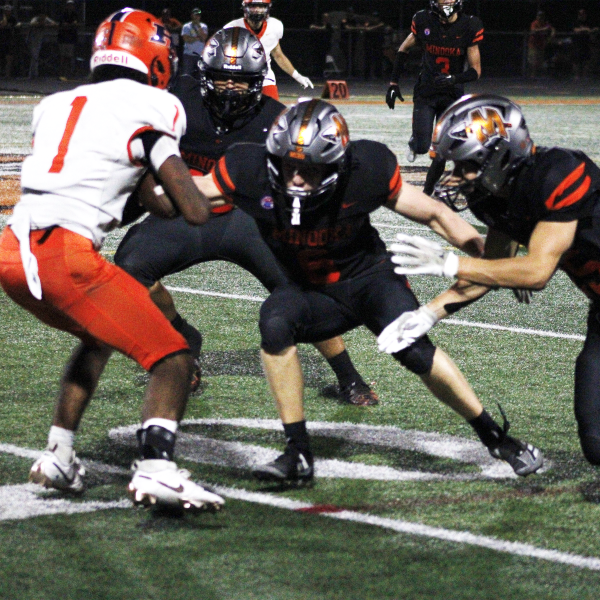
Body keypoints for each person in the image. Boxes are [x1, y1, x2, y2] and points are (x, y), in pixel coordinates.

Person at [189, 97, 543, 484]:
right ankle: (298, 453)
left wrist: (493, 267)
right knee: (274, 322)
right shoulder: (247, 169)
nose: (295, 179)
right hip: (312, 291)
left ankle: (496, 437)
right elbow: (186, 192)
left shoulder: (366, 168)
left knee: (414, 348)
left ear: (337, 163)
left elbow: (436, 214)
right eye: (288, 165)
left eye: (308, 170)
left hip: (372, 279)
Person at [0, 8, 223, 512]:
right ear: (153, 53)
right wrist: (233, 189)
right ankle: (157, 469)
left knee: (97, 338)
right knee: (174, 353)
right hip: (64, 254)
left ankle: (58, 456)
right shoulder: (157, 104)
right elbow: (188, 210)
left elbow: (137, 191)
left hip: (13, 251)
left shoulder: (56, 103)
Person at [114, 27, 378, 407]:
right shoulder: (177, 100)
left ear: (258, 82)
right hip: (185, 214)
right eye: (221, 77)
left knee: (301, 288)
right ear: (204, 75)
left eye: (240, 81)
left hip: (247, 219)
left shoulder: (278, 118)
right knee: (129, 269)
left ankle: (347, 375)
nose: (229, 88)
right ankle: (182, 337)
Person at [383, 93, 600, 469]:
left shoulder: (559, 172)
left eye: (467, 165)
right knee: (595, 440)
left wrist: (450, 263)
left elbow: (534, 273)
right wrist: (429, 313)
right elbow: (495, 267)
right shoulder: (494, 199)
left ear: (502, 154)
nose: (457, 176)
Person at [385, 0, 483, 196]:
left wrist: (453, 79)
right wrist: (393, 83)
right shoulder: (423, 19)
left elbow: (476, 71)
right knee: (422, 147)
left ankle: (427, 193)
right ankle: (414, 143)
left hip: (452, 96)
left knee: (442, 153)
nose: (445, 1)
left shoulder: (469, 25)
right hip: (426, 93)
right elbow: (403, 49)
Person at [225, 0, 313, 100]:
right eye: (253, 6)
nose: (257, 10)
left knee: (272, 110)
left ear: (267, 8)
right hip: (238, 75)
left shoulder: (275, 26)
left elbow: (278, 55)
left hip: (263, 75)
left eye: (261, 6)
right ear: (245, 8)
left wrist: (297, 76)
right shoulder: (232, 28)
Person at [27, 12, 57, 79]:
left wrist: (46, 25)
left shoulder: (46, 19)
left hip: (40, 40)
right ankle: (33, 74)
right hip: (32, 40)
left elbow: (54, 24)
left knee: (36, 57)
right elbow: (32, 23)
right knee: (34, 57)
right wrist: (40, 24)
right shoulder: (35, 19)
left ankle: (34, 74)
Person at [527, 10, 555, 78]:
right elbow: (533, 30)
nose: (540, 17)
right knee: (533, 61)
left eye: (542, 16)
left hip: (541, 45)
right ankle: (532, 76)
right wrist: (543, 29)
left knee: (540, 61)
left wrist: (551, 36)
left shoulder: (545, 23)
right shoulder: (534, 23)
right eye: (539, 16)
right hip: (533, 45)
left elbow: (552, 28)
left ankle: (539, 76)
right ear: (537, 16)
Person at [571, 8, 598, 79]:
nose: (581, 15)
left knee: (586, 60)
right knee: (577, 61)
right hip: (577, 44)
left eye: (583, 14)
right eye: (580, 14)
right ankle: (577, 76)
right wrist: (586, 29)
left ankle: (585, 76)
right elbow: (576, 30)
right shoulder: (576, 22)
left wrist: (591, 30)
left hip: (586, 44)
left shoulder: (588, 22)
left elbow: (594, 29)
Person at [181, 7, 208, 76]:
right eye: (195, 15)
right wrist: (198, 38)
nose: (197, 17)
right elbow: (186, 39)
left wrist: (198, 27)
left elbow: (204, 38)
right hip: (188, 55)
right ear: (192, 15)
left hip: (200, 55)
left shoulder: (203, 26)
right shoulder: (186, 26)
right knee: (187, 75)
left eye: (198, 15)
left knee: (201, 75)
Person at [57, 0, 78, 81]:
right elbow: (63, 24)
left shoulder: (75, 15)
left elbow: (75, 23)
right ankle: (61, 74)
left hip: (71, 38)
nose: (70, 7)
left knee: (69, 57)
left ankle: (68, 74)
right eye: (69, 5)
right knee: (62, 57)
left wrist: (70, 25)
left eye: (71, 5)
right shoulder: (63, 14)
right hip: (62, 38)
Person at [0, 4, 18, 78]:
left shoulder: (13, 19)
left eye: (9, 10)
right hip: (1, 39)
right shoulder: (1, 18)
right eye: (6, 10)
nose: (7, 12)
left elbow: (16, 26)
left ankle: (8, 74)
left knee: (9, 58)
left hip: (8, 40)